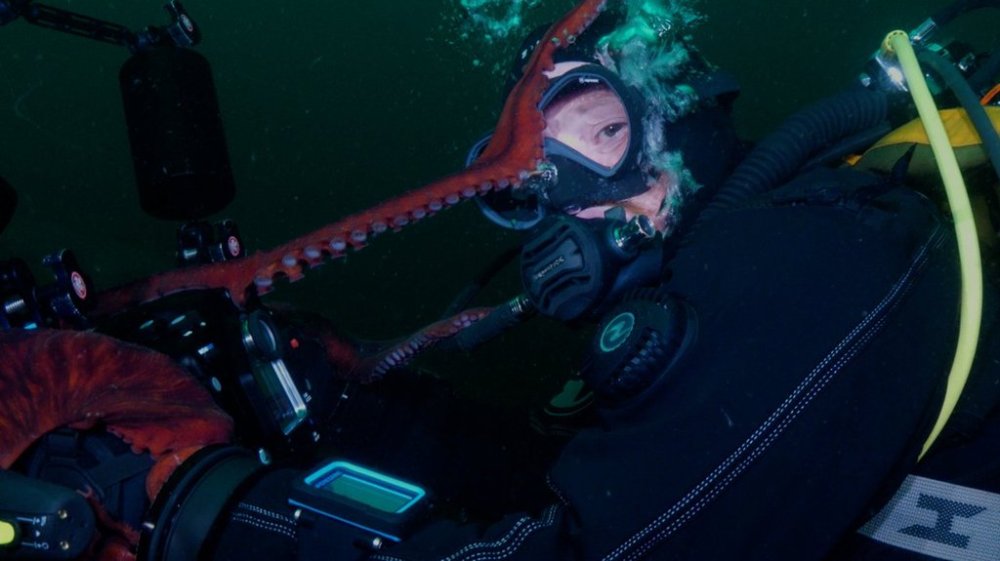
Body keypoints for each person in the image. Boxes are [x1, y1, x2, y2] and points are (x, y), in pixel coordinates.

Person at [7, 1, 1000, 560]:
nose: (563, 195)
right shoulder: (698, 316)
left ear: (680, 117)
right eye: (529, 179)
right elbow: (551, 483)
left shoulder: (818, 253)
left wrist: (192, 502)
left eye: (594, 131)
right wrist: (351, 405)